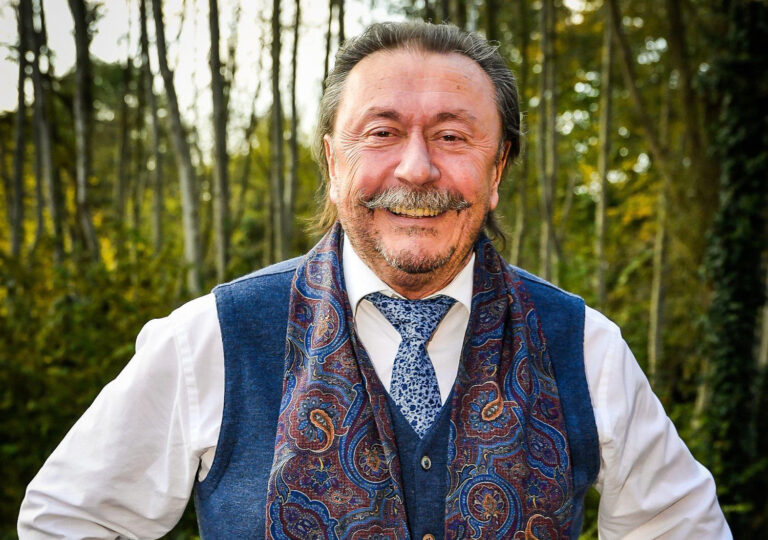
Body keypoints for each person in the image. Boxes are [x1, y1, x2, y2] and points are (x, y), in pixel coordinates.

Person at [19, 21, 730, 539]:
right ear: (334, 164)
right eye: (382, 132)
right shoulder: (214, 338)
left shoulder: (584, 347)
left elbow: (683, 528)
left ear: (498, 170)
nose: (416, 169)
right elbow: (68, 519)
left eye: (452, 136)